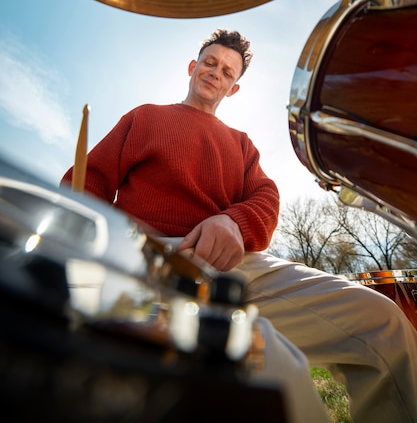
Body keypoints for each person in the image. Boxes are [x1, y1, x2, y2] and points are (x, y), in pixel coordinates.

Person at [62, 29, 417, 423]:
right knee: (279, 375)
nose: (216, 72)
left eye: (227, 71)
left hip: (241, 268)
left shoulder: (242, 143)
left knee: (383, 323)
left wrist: (234, 221)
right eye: (210, 63)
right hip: (153, 265)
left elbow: (266, 200)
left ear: (234, 89)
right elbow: (85, 183)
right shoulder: (145, 117)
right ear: (193, 67)